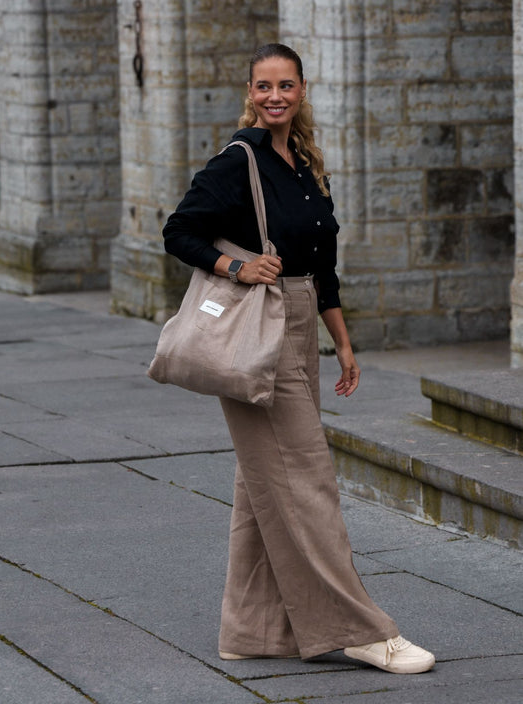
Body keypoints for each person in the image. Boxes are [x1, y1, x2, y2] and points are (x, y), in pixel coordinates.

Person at [162, 43, 435, 675]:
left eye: (286, 85)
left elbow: (323, 266)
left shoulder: (305, 164)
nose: (275, 96)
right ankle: (363, 630)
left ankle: (250, 630)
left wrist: (340, 340)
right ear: (250, 91)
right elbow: (180, 229)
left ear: (302, 90)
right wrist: (237, 264)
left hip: (301, 327)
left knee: (265, 485)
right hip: (257, 331)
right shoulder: (239, 162)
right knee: (305, 481)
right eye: (263, 86)